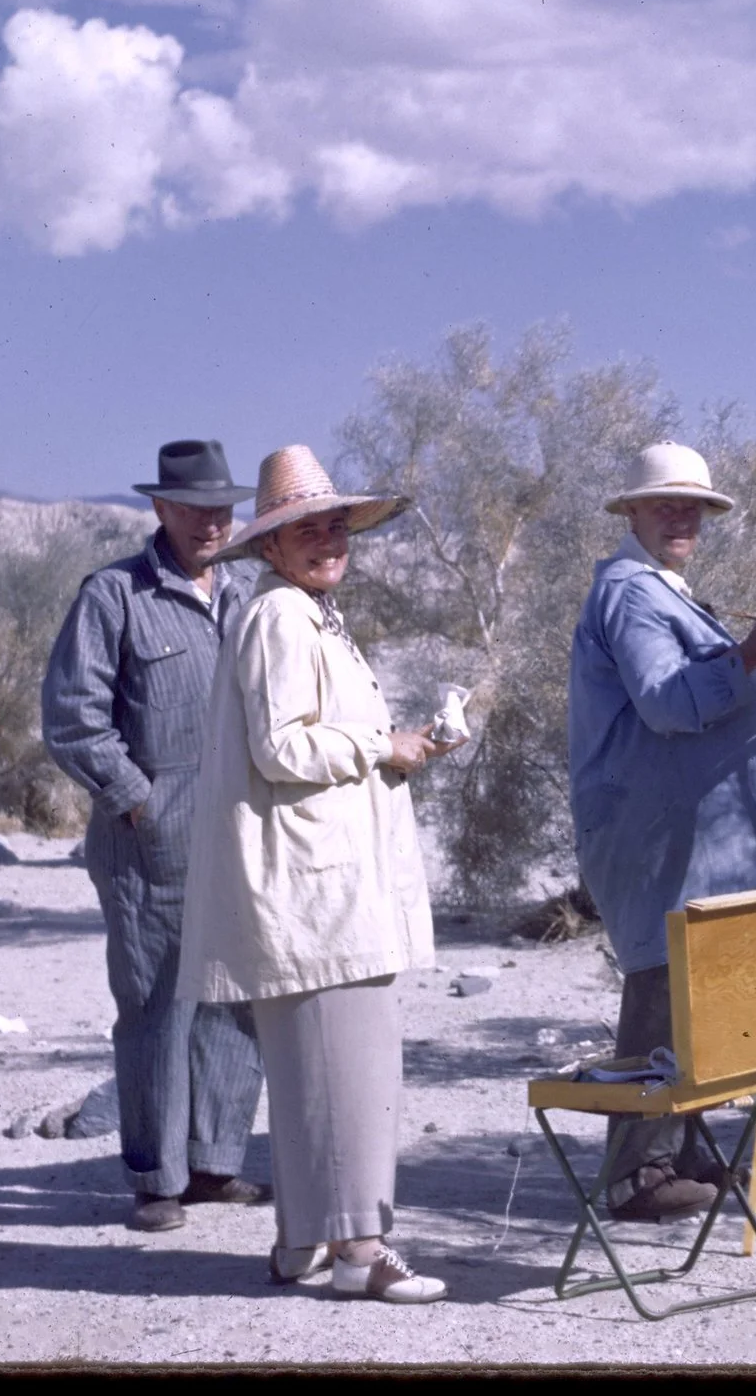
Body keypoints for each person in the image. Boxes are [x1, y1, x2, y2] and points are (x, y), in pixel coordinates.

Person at [177, 445, 458, 1303]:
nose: (328, 539)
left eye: (335, 523)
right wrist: (385, 745)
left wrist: (397, 752)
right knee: (350, 1066)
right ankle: (361, 1252)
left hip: (319, 881)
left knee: (314, 1068)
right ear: (270, 544)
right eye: (307, 528)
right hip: (316, 889)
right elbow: (283, 744)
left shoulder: (302, 614)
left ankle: (304, 1241)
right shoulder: (281, 618)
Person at [567, 442, 756, 1222]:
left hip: (682, 836)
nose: (680, 515)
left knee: (692, 987)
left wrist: (749, 676)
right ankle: (637, 1174)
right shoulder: (635, 595)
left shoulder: (661, 590)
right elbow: (668, 702)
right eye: (664, 502)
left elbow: (679, 691)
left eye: (691, 504)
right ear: (631, 510)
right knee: (667, 987)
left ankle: (683, 1147)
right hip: (662, 837)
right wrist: (747, 656)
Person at [42, 439, 271, 1234]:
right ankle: (156, 1177)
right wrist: (137, 802)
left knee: (233, 1002)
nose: (212, 522)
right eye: (194, 508)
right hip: (149, 848)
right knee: (156, 1006)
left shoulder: (244, 596)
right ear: (160, 509)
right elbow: (73, 719)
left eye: (222, 507)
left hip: (239, 840)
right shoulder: (113, 596)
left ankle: (215, 1164)